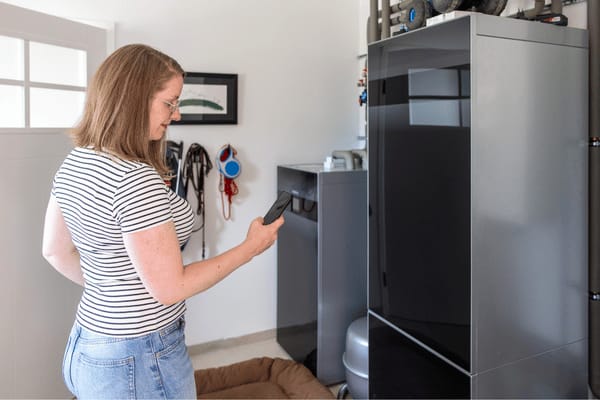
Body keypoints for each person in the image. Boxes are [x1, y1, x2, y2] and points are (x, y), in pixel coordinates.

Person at [41, 44, 284, 400]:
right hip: (137, 356)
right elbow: (171, 288)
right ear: (134, 98)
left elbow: (55, 251)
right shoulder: (134, 179)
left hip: (88, 344)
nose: (177, 114)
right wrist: (250, 248)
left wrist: (114, 292)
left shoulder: (77, 161)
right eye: (170, 103)